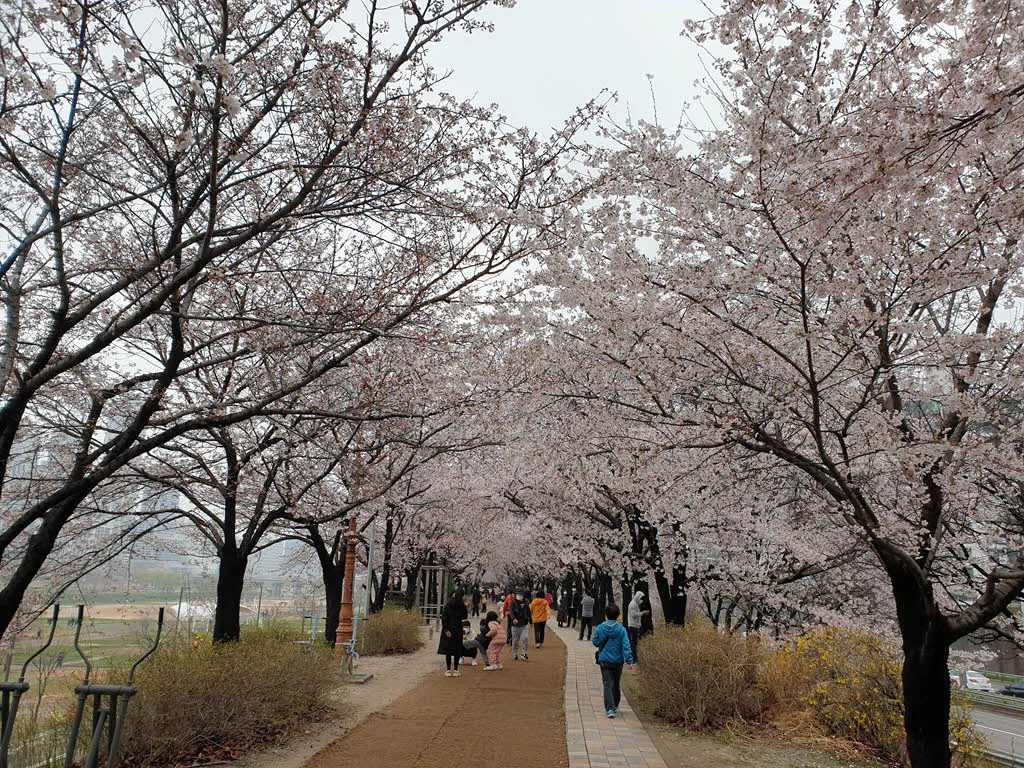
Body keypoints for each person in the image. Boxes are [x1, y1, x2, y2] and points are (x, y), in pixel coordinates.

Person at [592, 604, 635, 718]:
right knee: (616, 683)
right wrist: (630, 661)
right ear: (618, 615)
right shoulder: (622, 630)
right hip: (618, 661)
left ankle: (609, 709)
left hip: (604, 660)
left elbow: (595, 642)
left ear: (606, 615)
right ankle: (615, 705)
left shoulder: (601, 628)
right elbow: (626, 645)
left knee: (607, 684)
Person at [437, 588, 468, 677]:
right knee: (457, 649)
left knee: (448, 650)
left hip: (449, 628)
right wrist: (465, 607)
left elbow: (444, 618)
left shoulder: (447, 605)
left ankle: (448, 670)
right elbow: (464, 616)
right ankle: (456, 670)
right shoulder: (461, 605)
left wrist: (446, 629)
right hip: (458, 628)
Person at [627, 591, 650, 663]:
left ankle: (634, 658)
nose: (641, 600)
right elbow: (634, 615)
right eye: (641, 598)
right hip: (633, 626)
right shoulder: (633, 604)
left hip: (635, 626)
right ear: (637, 597)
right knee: (633, 643)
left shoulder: (635, 604)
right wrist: (643, 613)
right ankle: (633, 659)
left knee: (634, 643)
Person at [509, 590, 531, 660]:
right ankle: (515, 653)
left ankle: (524, 653)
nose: (519, 596)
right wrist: (513, 619)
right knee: (515, 640)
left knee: (525, 638)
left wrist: (531, 621)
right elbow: (511, 611)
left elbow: (528, 611)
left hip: (524, 623)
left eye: (521, 595)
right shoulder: (513, 602)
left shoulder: (526, 602)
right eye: (518, 595)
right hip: (515, 625)